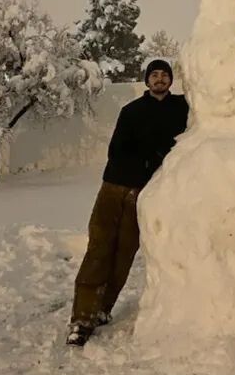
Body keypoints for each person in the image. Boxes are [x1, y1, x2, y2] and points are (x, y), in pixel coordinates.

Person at [66, 59, 189, 345]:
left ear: (171, 80)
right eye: (154, 75)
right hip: (114, 188)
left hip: (144, 194)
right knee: (99, 251)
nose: (160, 79)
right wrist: (149, 160)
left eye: (165, 75)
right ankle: (82, 318)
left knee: (124, 255)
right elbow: (117, 151)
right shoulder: (131, 111)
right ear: (147, 81)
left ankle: (102, 309)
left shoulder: (181, 108)